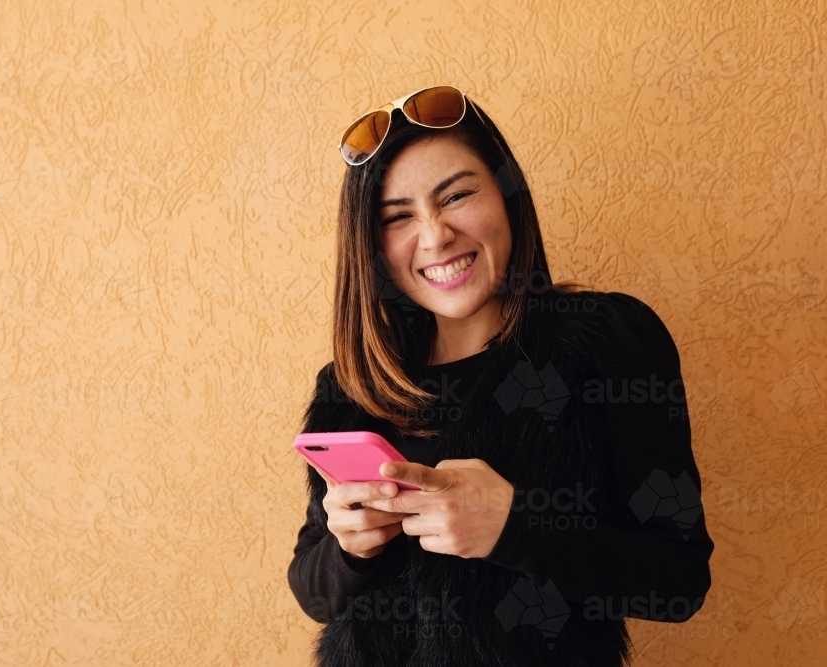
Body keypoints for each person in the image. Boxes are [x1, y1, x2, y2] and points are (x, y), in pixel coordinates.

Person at [287, 86, 714, 667]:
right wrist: (349, 549)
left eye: (457, 195)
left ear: (508, 196)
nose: (435, 235)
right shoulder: (354, 383)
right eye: (398, 217)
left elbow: (679, 580)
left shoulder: (605, 339)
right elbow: (313, 591)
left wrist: (515, 528)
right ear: (373, 247)